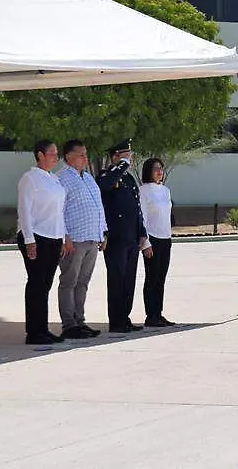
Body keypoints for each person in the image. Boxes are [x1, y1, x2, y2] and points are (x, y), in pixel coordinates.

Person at [16, 140, 69, 345]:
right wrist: (29, 240)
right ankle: (34, 332)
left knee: (45, 284)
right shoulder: (30, 178)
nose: (56, 157)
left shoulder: (54, 179)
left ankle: (43, 328)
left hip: (53, 237)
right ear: (40, 155)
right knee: (37, 283)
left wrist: (63, 236)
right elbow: (24, 210)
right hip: (36, 236)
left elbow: (59, 211)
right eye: (52, 154)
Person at [97, 139, 150, 333]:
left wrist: (142, 232)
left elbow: (137, 208)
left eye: (130, 156)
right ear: (115, 157)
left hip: (131, 237)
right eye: (125, 156)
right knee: (117, 279)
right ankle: (116, 320)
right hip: (116, 237)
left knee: (129, 279)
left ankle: (125, 317)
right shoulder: (107, 175)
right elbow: (105, 185)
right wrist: (121, 166)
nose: (129, 160)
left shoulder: (128, 179)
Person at [55, 140, 106, 339]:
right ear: (68, 157)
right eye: (81, 155)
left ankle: (80, 321)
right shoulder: (61, 179)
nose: (85, 158)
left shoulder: (88, 178)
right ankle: (69, 325)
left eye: (86, 154)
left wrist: (103, 232)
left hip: (92, 238)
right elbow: (58, 211)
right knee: (69, 280)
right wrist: (65, 237)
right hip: (74, 239)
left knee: (83, 282)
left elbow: (98, 206)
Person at [140, 157, 176, 326]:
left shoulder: (166, 190)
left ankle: (158, 313)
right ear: (148, 171)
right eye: (155, 168)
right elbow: (143, 217)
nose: (159, 171)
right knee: (152, 277)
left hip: (165, 238)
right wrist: (145, 242)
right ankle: (151, 315)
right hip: (152, 238)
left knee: (161, 278)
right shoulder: (143, 190)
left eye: (161, 168)